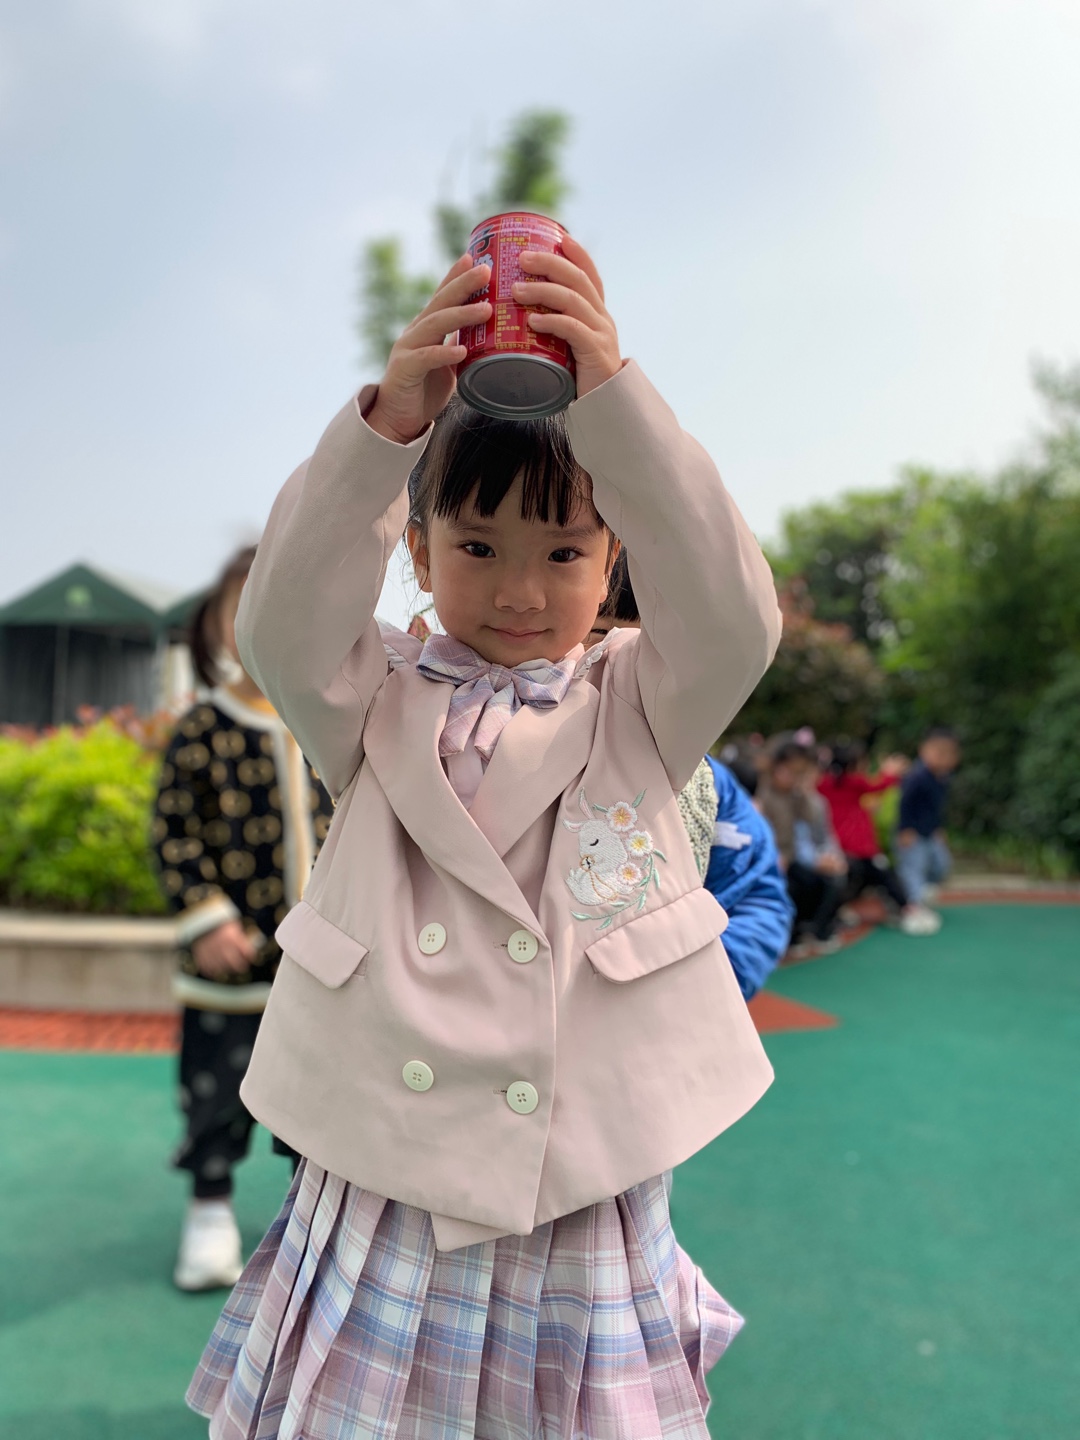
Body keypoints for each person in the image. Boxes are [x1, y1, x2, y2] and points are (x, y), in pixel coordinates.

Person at [186, 241, 782, 1437]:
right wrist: (388, 430)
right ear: (415, 551)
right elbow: (282, 624)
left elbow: (734, 614)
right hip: (389, 1155)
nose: (520, 590)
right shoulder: (369, 696)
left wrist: (615, 404)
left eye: (564, 552)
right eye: (477, 547)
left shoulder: (645, 700)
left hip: (578, 1156)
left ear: (616, 560)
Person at [153, 547, 333, 1292]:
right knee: (216, 1094)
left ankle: (311, 1231)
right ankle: (210, 1209)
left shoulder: (330, 724)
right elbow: (174, 833)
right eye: (246, 607)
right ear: (217, 626)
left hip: (322, 972)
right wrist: (206, 921)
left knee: (319, 1107)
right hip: (229, 967)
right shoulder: (202, 729)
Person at [590, 553, 792, 999]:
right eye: (602, 634)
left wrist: (700, 989)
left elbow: (757, 897)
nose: (628, 660)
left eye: (654, 644)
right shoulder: (508, 758)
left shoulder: (710, 786)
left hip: (677, 1012)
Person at [818, 742, 941, 936]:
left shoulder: (825, 784)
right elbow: (878, 785)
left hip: (841, 846)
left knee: (862, 879)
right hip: (859, 847)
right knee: (883, 876)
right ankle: (907, 909)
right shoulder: (854, 783)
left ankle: (899, 907)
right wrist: (890, 772)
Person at [758, 739, 847, 954]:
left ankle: (816, 928)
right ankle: (791, 934)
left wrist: (831, 858)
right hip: (776, 860)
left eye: (799, 772)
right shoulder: (763, 798)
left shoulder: (804, 799)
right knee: (794, 884)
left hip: (796, 858)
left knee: (832, 878)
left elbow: (818, 833)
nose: (793, 777)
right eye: (788, 770)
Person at [896, 726, 961, 910]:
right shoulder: (916, 777)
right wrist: (904, 828)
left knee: (941, 865)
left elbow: (936, 808)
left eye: (948, 754)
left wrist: (938, 828)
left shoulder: (943, 778)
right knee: (913, 868)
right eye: (938, 753)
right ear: (923, 750)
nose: (942, 758)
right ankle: (914, 905)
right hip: (912, 832)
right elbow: (904, 803)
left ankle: (922, 892)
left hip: (930, 831)